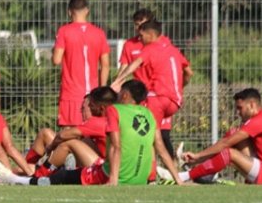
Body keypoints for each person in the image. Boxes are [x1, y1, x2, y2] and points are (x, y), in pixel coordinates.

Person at [35, 80, 182, 186]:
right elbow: (159, 148)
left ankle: (38, 175)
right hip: (140, 177)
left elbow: (115, 147)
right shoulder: (148, 114)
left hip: (113, 170)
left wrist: (50, 148)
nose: (86, 111)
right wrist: (176, 181)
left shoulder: (112, 114)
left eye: (88, 107)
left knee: (69, 144)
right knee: (80, 141)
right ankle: (37, 173)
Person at [112, 19, 192, 168]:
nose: (140, 39)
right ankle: (173, 167)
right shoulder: (173, 49)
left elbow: (134, 64)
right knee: (161, 136)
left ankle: (152, 175)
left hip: (157, 98)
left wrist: (118, 81)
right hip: (175, 101)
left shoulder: (150, 48)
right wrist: (179, 87)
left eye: (141, 36)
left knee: (151, 138)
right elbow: (188, 72)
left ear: (150, 34)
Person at [179, 88, 262, 185]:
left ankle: (183, 176)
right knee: (233, 133)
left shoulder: (260, 120)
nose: (237, 112)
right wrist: (197, 159)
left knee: (229, 152)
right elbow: (229, 139)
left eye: (240, 108)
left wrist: (198, 156)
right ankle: (207, 173)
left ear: (252, 105)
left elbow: (226, 143)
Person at [116, 11, 176, 158]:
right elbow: (124, 68)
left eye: (142, 24)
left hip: (160, 95)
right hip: (140, 97)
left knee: (163, 135)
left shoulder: (162, 43)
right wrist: (117, 84)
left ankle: (174, 170)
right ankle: (151, 172)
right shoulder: (129, 45)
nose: (138, 28)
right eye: (136, 25)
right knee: (144, 134)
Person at [23, 87, 116, 177]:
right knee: (48, 134)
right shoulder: (116, 118)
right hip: (108, 165)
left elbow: (63, 135)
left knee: (69, 142)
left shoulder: (98, 122)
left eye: (90, 106)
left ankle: (38, 174)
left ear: (101, 108)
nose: (81, 112)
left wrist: (51, 147)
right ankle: (29, 167)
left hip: (103, 169)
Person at [52, 0, 110, 127]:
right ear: (87, 11)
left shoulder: (64, 31)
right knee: (92, 133)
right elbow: (105, 65)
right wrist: (101, 91)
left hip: (71, 94)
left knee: (71, 136)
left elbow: (56, 60)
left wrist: (53, 51)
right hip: (94, 94)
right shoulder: (99, 33)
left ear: (69, 12)